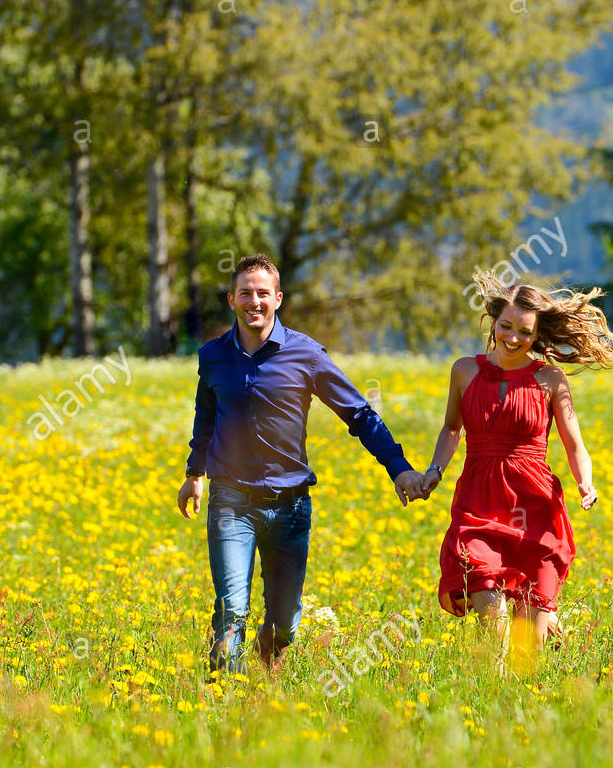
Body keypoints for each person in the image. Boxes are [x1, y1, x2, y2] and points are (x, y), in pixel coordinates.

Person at [178, 254, 428, 673]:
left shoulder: (306, 354)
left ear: (277, 299)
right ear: (231, 300)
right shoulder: (213, 356)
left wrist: (398, 466)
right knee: (231, 608)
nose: (253, 301)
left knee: (284, 625)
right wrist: (194, 474)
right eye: (245, 293)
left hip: (291, 506)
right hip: (230, 502)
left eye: (262, 294)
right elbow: (206, 418)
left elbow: (359, 414)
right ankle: (224, 700)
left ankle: (262, 668)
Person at [418, 270, 613, 656]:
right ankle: (487, 699)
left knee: (528, 642)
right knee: (491, 618)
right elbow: (451, 428)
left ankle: (546, 634)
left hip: (535, 505)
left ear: (538, 334)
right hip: (478, 502)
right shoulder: (464, 371)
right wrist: (434, 470)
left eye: (525, 332)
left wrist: (586, 483)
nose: (513, 338)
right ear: (493, 321)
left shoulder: (550, 378)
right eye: (506, 326)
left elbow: (574, 444)